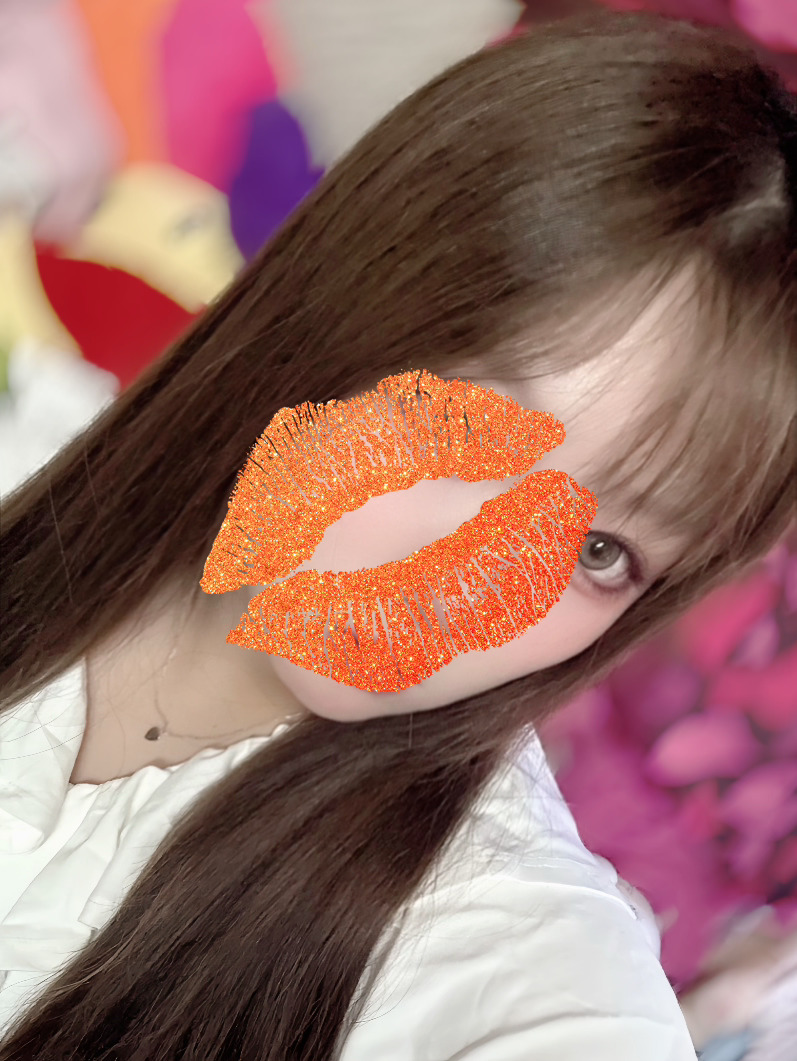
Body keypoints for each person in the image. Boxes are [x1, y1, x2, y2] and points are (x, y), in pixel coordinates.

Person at [1, 9, 795, 1059]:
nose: (466, 581)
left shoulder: (521, 971)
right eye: (471, 426)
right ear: (346, 302)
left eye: (595, 551)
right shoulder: (33, 455)